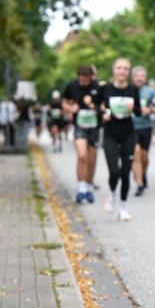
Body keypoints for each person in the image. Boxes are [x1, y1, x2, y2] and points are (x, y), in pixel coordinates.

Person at [98, 57, 141, 221]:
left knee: (125, 172)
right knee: (114, 171)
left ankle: (123, 207)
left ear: (128, 72)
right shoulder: (106, 89)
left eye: (125, 69)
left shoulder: (133, 89)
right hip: (110, 134)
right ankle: (111, 194)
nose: (122, 71)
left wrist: (134, 108)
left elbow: (139, 112)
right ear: (113, 70)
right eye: (119, 68)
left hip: (128, 134)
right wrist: (104, 114)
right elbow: (96, 106)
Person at [63, 65, 102, 204]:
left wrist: (92, 106)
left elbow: (103, 107)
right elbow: (64, 103)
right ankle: (81, 188)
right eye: (82, 77)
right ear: (78, 76)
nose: (84, 80)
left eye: (87, 78)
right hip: (80, 126)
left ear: (91, 77)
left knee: (92, 159)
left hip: (94, 127)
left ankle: (89, 187)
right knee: (82, 155)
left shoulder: (97, 87)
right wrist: (70, 108)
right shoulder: (72, 86)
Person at [131, 66, 155, 196]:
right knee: (135, 154)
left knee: (144, 157)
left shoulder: (149, 92)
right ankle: (139, 184)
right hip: (131, 128)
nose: (139, 78)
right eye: (137, 76)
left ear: (145, 78)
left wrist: (150, 110)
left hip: (145, 127)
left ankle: (143, 174)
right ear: (133, 78)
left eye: (142, 76)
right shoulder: (128, 90)